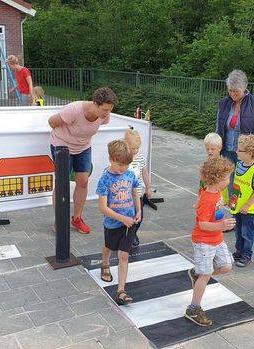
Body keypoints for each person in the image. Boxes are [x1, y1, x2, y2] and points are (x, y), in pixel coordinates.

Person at [48, 87, 118, 234]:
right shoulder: (74, 109)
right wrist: (66, 137)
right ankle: (59, 220)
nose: (107, 113)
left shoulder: (104, 116)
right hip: (62, 147)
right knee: (62, 183)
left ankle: (77, 218)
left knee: (83, 182)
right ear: (95, 103)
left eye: (110, 110)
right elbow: (52, 122)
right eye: (105, 109)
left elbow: (94, 124)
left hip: (83, 148)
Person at [186, 156, 235, 327]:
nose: (229, 181)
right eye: (227, 177)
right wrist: (221, 225)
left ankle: (197, 274)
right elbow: (202, 224)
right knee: (205, 275)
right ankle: (193, 308)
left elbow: (199, 205)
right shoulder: (208, 197)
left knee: (226, 266)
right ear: (218, 179)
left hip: (217, 238)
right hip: (204, 241)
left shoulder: (214, 191)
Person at [97, 140, 141, 305]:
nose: (124, 168)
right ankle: (105, 263)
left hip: (129, 224)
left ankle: (121, 290)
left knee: (124, 255)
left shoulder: (130, 174)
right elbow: (102, 207)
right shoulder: (105, 179)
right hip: (113, 223)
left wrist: (138, 211)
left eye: (127, 165)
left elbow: (135, 191)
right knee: (109, 247)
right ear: (110, 159)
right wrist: (122, 218)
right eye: (120, 164)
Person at [215, 70, 254, 169]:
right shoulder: (223, 103)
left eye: (236, 91)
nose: (232, 94)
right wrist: (216, 149)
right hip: (227, 152)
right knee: (228, 183)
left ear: (244, 88)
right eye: (230, 90)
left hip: (247, 154)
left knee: (245, 184)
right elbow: (218, 127)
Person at [229, 135, 254, 267]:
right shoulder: (239, 165)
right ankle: (239, 251)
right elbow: (237, 186)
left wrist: (247, 205)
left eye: (240, 150)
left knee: (246, 233)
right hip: (237, 205)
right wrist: (231, 200)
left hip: (248, 209)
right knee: (238, 230)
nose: (237, 152)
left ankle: (246, 255)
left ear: (249, 153)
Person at [124, 129, 152, 247]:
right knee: (127, 217)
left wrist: (148, 188)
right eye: (132, 148)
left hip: (138, 194)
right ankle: (126, 236)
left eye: (137, 148)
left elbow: (144, 173)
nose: (135, 151)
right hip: (126, 196)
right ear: (126, 146)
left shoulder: (140, 158)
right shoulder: (124, 159)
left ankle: (133, 233)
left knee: (139, 217)